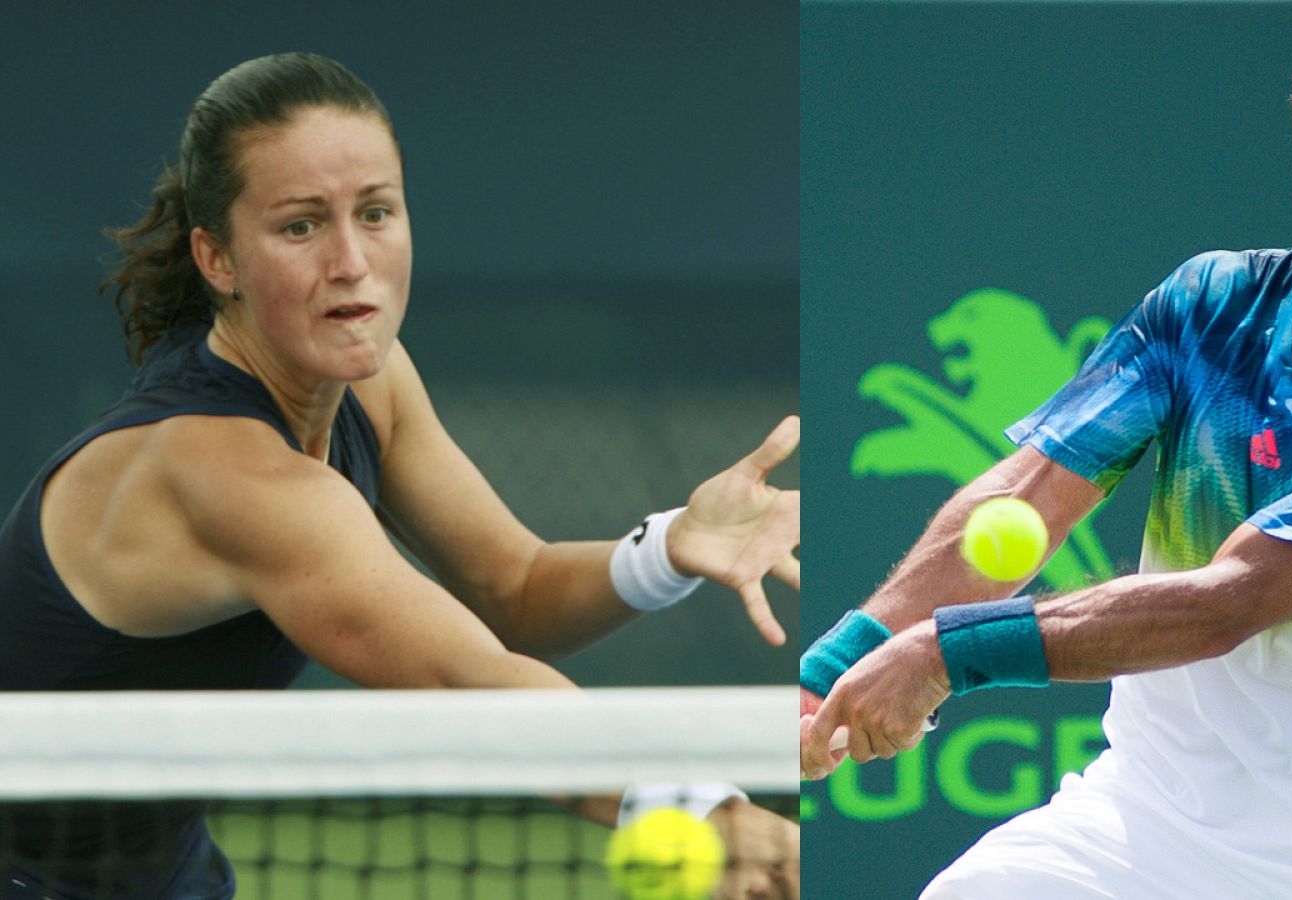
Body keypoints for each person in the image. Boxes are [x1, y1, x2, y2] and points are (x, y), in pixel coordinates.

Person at [0, 53, 798, 899]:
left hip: (159, 875)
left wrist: (667, 547)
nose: (351, 261)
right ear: (217, 258)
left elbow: (514, 588)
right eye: (301, 227)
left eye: (375, 212)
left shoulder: (369, 384)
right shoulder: (223, 472)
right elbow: (464, 680)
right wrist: (703, 813)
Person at [800, 12, 1292, 899]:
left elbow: (1226, 603)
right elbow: (1031, 497)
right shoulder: (1210, 304)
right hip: (1136, 825)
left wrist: (942, 654)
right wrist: (830, 671)